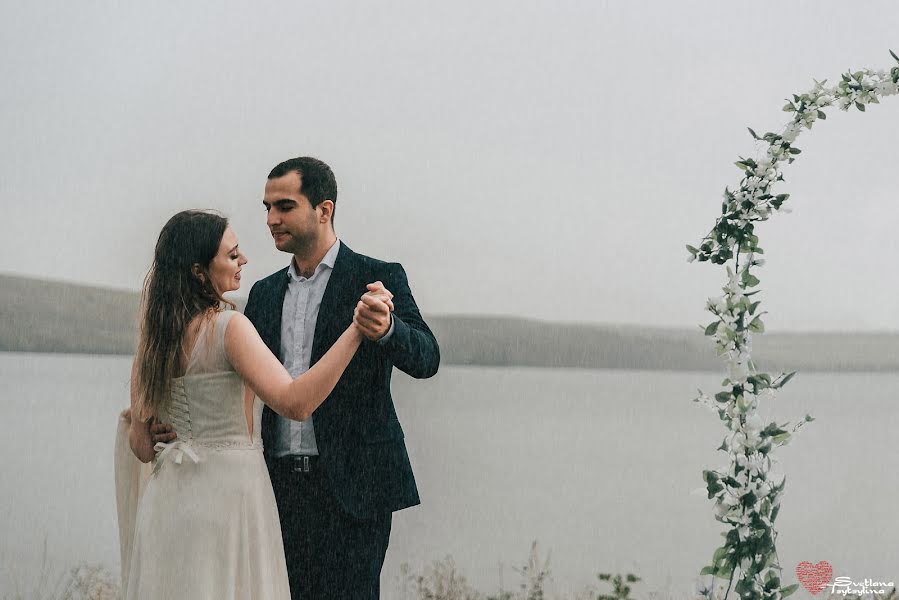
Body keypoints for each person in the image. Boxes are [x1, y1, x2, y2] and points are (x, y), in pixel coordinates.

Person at [154, 157, 441, 599]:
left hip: (354, 489)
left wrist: (387, 330)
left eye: (284, 206)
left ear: (323, 209)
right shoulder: (263, 293)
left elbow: (427, 358)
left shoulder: (375, 277)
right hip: (276, 487)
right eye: (267, 207)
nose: (271, 219)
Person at [118, 209, 394, 599]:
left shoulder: (153, 343)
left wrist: (148, 427)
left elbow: (143, 447)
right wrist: (356, 331)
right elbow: (296, 403)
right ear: (200, 271)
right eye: (232, 255)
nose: (243, 260)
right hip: (230, 500)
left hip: (169, 504)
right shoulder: (228, 328)